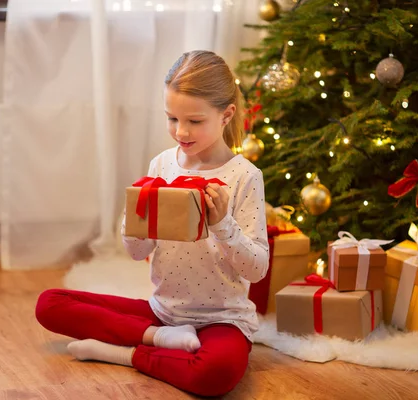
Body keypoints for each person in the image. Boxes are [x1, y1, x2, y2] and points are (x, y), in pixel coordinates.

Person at [35, 50, 270, 397]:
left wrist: (223, 225)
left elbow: (256, 269)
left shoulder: (245, 177)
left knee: (214, 375)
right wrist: (134, 219)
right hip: (163, 315)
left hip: (223, 320)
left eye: (194, 121)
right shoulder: (162, 164)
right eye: (172, 118)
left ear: (226, 115)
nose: (181, 131)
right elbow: (136, 252)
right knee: (50, 303)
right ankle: (160, 340)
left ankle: (125, 353)